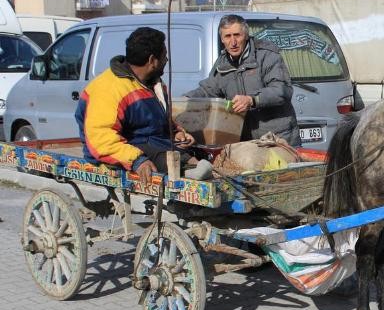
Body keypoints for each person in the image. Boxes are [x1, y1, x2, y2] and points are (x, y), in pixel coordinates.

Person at [75, 27, 212, 184]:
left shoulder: (155, 84)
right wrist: (137, 160)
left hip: (152, 143)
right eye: (164, 57)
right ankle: (190, 169)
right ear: (152, 60)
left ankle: (192, 166)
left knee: (196, 152)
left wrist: (176, 132)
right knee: (168, 158)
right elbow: (100, 139)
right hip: (123, 148)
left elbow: (159, 119)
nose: (166, 61)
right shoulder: (109, 89)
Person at [185, 14, 300, 145]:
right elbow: (207, 89)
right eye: (227, 36)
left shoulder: (266, 55)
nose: (233, 42)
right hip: (247, 141)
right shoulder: (222, 64)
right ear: (222, 39)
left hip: (277, 138)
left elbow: (282, 90)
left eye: (237, 35)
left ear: (245, 35)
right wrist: (184, 100)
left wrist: (252, 100)